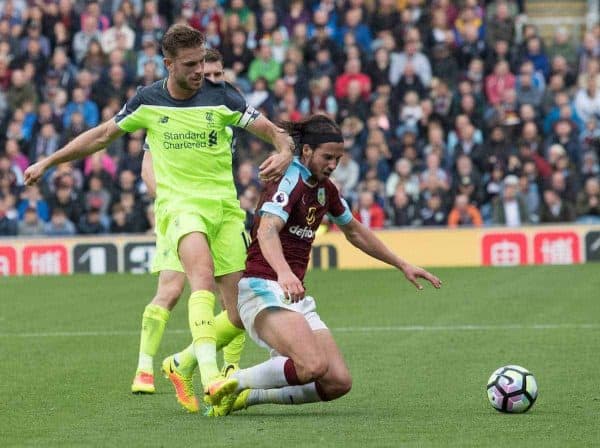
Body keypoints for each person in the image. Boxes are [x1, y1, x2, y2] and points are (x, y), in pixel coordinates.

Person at [23, 25, 294, 412]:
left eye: (202, 61)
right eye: (190, 64)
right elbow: (101, 136)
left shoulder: (224, 97)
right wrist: (49, 161)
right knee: (198, 279)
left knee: (238, 315)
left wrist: (284, 151)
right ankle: (211, 376)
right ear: (168, 64)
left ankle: (179, 363)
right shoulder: (147, 100)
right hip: (180, 207)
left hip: (225, 208)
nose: (200, 70)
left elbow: (274, 132)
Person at [180, 114, 440, 416]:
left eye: (338, 158)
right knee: (311, 365)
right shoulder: (290, 179)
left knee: (337, 382)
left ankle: (245, 397)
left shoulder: (325, 189)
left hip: (292, 293)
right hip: (263, 287)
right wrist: (284, 272)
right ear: (306, 152)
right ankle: (233, 381)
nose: (333, 164)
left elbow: (354, 230)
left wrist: (401, 264)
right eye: (327, 157)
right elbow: (266, 230)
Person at [136, 48, 249, 412]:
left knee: (240, 302)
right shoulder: (166, 110)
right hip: (182, 212)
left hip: (220, 209)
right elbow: (148, 166)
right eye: (205, 72)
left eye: (217, 74)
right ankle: (147, 369)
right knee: (172, 289)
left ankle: (193, 365)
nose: (211, 80)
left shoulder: (227, 104)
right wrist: (172, 201)